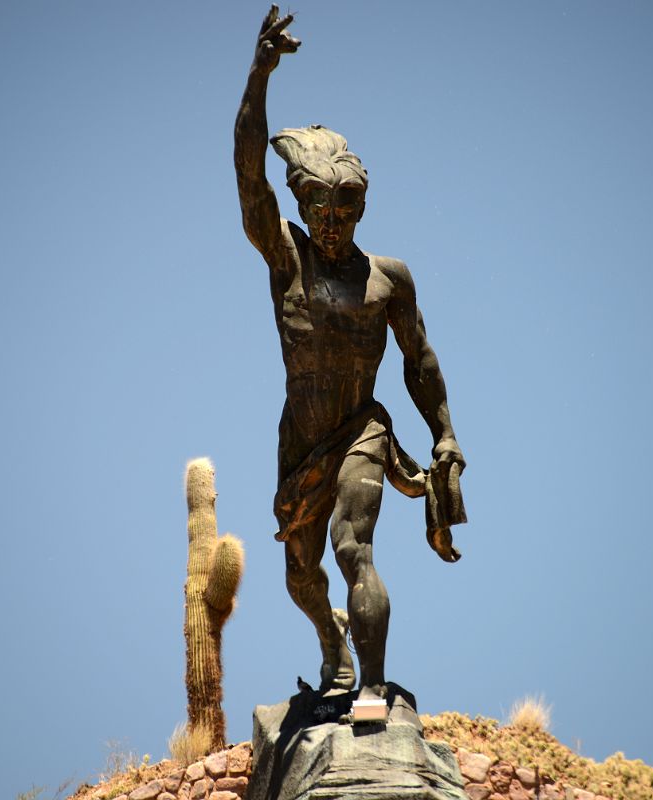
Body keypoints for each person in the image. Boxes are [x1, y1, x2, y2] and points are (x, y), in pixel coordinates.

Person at [234, 5, 466, 698]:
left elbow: (419, 360)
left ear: (361, 209)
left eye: (344, 211)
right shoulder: (287, 258)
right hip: (300, 441)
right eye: (319, 211)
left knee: (352, 547)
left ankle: (372, 689)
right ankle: (332, 644)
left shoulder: (388, 279)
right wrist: (259, 76)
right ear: (303, 210)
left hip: (363, 429)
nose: (331, 224)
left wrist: (445, 434)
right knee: (301, 574)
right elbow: (248, 175)